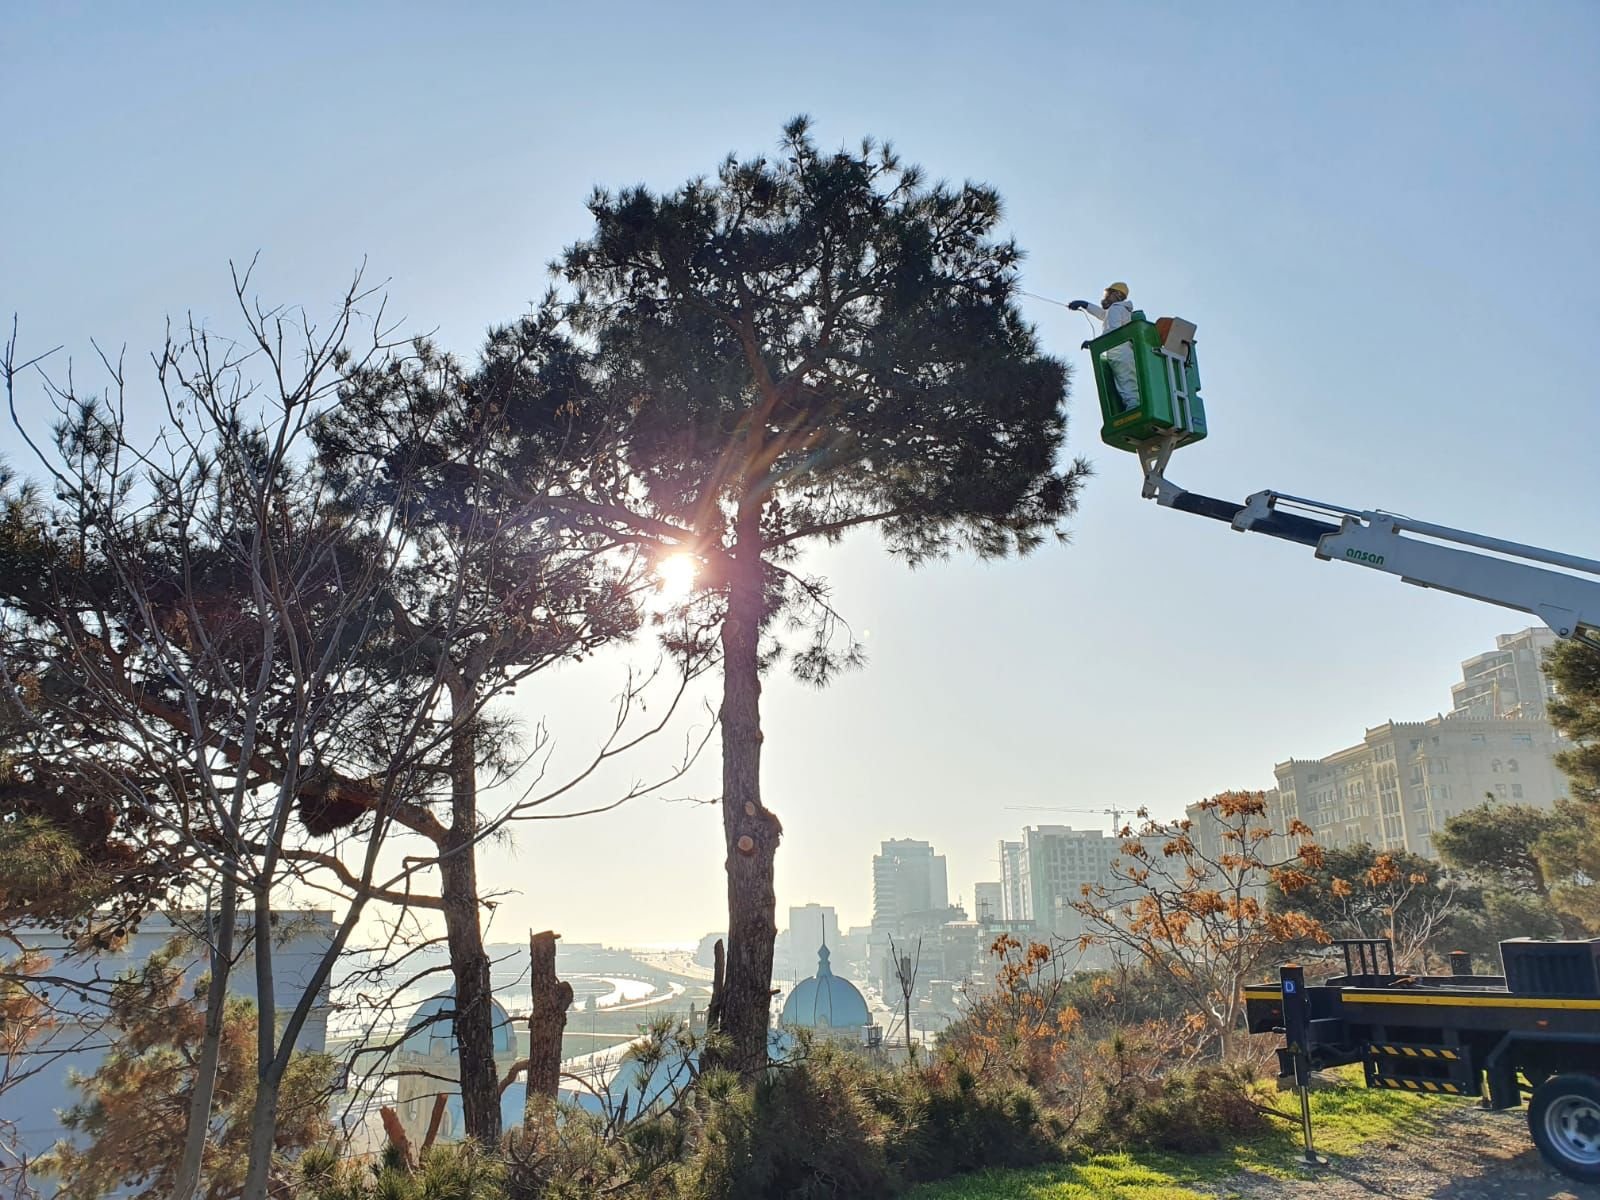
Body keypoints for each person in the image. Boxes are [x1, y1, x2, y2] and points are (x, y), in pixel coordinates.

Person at [1069, 282, 1138, 412]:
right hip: (1120, 352)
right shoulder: (1120, 309)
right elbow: (1103, 314)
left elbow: (1113, 331)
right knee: (1126, 383)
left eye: (1108, 294)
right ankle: (1133, 409)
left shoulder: (1116, 308)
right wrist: (1085, 304)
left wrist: (1094, 343)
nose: (1105, 298)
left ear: (1117, 294)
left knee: (1127, 384)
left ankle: (1134, 410)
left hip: (1120, 352)